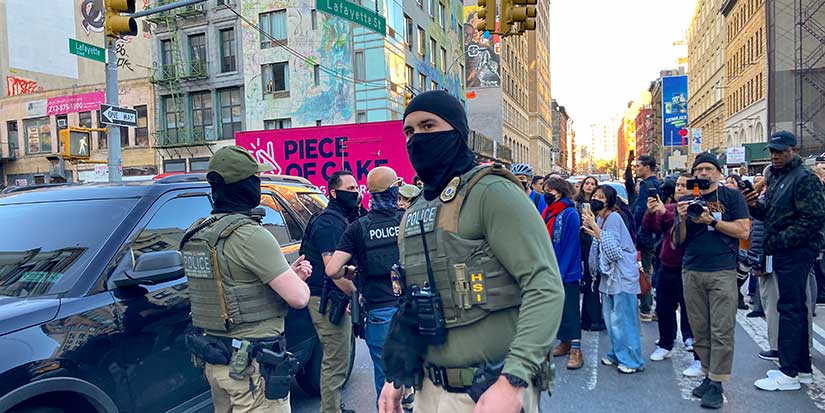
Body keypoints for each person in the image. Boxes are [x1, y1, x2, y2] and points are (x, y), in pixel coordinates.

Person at [379, 90, 565, 413]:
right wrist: (397, 375)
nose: (416, 139)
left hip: (489, 390)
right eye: (409, 131)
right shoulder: (415, 211)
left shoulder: (492, 192)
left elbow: (544, 286)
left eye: (428, 126)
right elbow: (414, 303)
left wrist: (513, 381)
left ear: (457, 131)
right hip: (428, 391)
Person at [180, 145, 313, 413]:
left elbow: (228, 287)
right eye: (256, 179)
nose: (259, 185)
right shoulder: (251, 235)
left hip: (217, 363)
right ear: (243, 185)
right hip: (253, 371)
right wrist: (298, 280)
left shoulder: (197, 233)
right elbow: (299, 298)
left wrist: (288, 276)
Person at [746, 131, 825, 391]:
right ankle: (801, 369)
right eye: (772, 151)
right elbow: (770, 214)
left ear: (793, 150)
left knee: (791, 310)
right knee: (795, 310)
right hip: (785, 251)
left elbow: (812, 220)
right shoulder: (781, 178)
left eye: (780, 151)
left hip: (795, 253)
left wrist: (780, 240)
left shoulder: (803, 178)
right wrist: (754, 205)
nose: (774, 155)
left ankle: (789, 371)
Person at [674, 152, 751, 409]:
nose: (704, 173)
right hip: (692, 268)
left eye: (708, 169)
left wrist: (711, 221)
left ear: (718, 172)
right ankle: (708, 375)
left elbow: (743, 230)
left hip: (722, 270)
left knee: (721, 329)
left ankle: (717, 382)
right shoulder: (687, 199)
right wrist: (683, 218)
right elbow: (678, 241)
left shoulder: (731, 197)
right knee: (699, 329)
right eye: (699, 170)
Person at [325, 166, 404, 401]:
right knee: (420, 376)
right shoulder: (406, 220)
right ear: (393, 191)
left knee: (385, 376)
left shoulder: (358, 227)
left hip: (378, 312)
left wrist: (351, 271)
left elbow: (331, 269)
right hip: (411, 310)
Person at [302, 170, 361, 413]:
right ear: (333, 193)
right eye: (349, 189)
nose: (355, 193)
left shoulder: (339, 218)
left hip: (331, 298)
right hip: (326, 299)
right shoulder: (329, 223)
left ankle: (333, 405)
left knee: (339, 357)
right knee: (335, 362)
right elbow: (333, 270)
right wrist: (359, 296)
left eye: (356, 188)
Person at [582, 184, 644, 374]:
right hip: (609, 277)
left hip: (622, 276)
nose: (596, 199)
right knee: (611, 320)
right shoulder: (602, 219)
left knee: (625, 319)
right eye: (595, 195)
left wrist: (593, 226)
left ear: (609, 200)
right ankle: (618, 353)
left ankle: (632, 360)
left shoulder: (614, 217)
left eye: (601, 196)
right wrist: (593, 231)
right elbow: (604, 241)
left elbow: (613, 249)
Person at [643, 173, 702, 376]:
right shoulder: (668, 208)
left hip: (690, 268)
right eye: (677, 185)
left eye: (684, 185)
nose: (679, 188)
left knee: (691, 310)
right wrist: (651, 212)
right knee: (664, 307)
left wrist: (664, 212)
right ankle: (665, 344)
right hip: (666, 265)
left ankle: (693, 347)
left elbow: (682, 229)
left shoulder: (698, 209)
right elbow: (651, 227)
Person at [543, 176, 584, 370]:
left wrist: (561, 272)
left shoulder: (570, 213)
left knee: (571, 309)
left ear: (558, 192)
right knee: (558, 309)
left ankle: (576, 349)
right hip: (551, 268)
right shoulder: (548, 212)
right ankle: (564, 342)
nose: (545, 194)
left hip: (567, 271)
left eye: (548, 190)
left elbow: (571, 246)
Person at [632, 154, 661, 321]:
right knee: (654, 270)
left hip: (646, 233)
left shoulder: (647, 184)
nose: (636, 169)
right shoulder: (657, 183)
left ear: (647, 167)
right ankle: (654, 308)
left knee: (644, 270)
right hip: (656, 233)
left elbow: (641, 211)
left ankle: (646, 307)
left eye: (638, 166)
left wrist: (635, 232)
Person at [574, 176, 605, 332]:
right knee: (588, 279)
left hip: (595, 241)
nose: (589, 186)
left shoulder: (599, 205)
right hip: (582, 242)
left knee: (594, 279)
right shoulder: (576, 204)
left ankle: (593, 317)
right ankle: (589, 318)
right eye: (587, 183)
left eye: (593, 184)